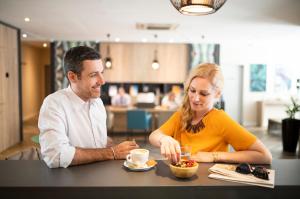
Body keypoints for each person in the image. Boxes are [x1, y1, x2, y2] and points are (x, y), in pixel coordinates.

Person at [149, 63, 272, 164]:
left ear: (217, 94)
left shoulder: (220, 119)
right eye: (192, 90)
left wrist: (214, 156)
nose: (195, 98)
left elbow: (265, 156)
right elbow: (154, 136)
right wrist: (164, 139)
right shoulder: (181, 115)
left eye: (203, 93)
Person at [38, 46, 138, 168]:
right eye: (93, 75)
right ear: (72, 77)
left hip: (101, 174)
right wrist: (112, 152)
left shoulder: (98, 102)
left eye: (101, 73)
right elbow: (56, 156)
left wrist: (120, 147)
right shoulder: (54, 104)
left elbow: (98, 140)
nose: (102, 81)